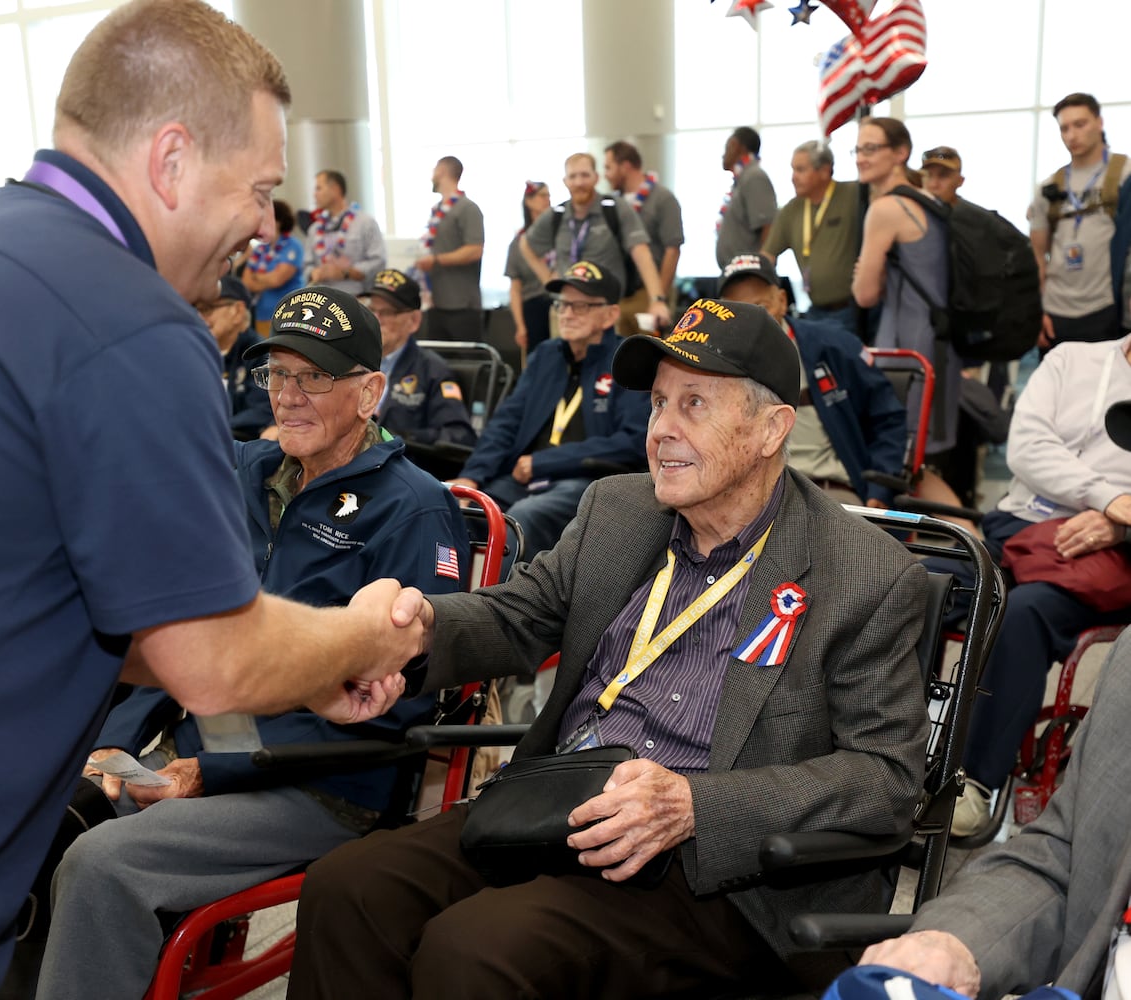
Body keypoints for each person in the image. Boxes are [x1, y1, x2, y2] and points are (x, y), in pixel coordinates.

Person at [0, 5, 426, 997]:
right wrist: (359, 640)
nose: (268, 225)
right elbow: (214, 660)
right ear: (172, 159)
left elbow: (79, 599)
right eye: (261, 187)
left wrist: (299, 672)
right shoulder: (125, 324)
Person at [287, 297, 931, 1000]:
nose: (662, 431)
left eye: (694, 405)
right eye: (658, 404)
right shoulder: (619, 511)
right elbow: (518, 615)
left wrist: (694, 804)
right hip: (558, 804)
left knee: (475, 950)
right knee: (347, 888)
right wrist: (414, 636)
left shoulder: (866, 576)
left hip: (712, 870)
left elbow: (884, 779)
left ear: (772, 429)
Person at [35, 287, 468, 1000]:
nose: (289, 397)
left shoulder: (415, 511)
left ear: (371, 392)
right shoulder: (244, 473)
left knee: (105, 865)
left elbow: (395, 707)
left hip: (319, 781)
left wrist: (210, 771)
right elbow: (167, 625)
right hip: (189, 743)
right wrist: (112, 744)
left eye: (314, 377)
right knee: (28, 820)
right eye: (277, 375)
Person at [861, 620, 1131, 1000]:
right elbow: (1067, 860)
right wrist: (953, 943)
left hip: (1078, 579)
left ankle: (979, 779)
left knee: (1026, 614)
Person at [940, 331, 1131, 836]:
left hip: (1107, 556)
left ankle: (974, 783)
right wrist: (1109, 497)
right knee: (916, 584)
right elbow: (1027, 447)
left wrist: (1121, 523)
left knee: (1025, 611)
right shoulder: (1073, 359)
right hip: (1019, 526)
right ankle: (883, 754)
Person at [448, 260, 650, 557]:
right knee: (458, 509)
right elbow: (506, 422)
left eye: (579, 306)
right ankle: (448, 600)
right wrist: (472, 477)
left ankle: (502, 603)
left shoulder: (628, 362)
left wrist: (544, 462)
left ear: (610, 315)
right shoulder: (546, 356)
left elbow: (632, 442)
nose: (566, 314)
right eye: (562, 304)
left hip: (584, 482)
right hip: (524, 478)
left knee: (521, 519)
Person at [718, 253, 907, 507]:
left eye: (761, 307)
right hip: (745, 496)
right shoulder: (710, 363)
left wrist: (879, 490)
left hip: (828, 491)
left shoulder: (834, 347)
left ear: (782, 301)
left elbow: (887, 419)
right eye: (736, 311)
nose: (751, 322)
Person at [852, 117, 965, 469]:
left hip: (905, 351)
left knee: (901, 464)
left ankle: (955, 526)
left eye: (871, 149)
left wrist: (864, 272)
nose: (860, 158)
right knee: (921, 465)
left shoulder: (886, 209)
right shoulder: (931, 201)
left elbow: (864, 294)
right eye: (857, 149)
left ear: (901, 153)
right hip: (942, 348)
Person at [520, 153, 671, 329]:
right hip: (566, 312)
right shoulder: (557, 215)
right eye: (573, 176)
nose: (579, 182)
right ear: (565, 181)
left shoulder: (616, 208)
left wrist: (657, 299)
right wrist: (546, 278)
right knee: (564, 356)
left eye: (585, 175)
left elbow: (641, 252)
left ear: (596, 178)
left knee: (612, 356)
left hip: (606, 312)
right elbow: (526, 244)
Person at [1029, 93, 1131, 351]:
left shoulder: (1124, 175)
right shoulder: (1049, 187)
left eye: (1080, 124)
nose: (1071, 135)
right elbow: (1037, 257)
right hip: (1056, 313)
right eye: (1064, 128)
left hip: (1106, 308)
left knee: (1108, 390)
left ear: (1099, 122)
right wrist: (1037, 312)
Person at [364, 267, 476, 448]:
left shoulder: (433, 371)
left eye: (387, 312)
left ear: (414, 321)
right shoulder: (352, 362)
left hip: (402, 466)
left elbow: (458, 435)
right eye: (371, 310)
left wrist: (396, 437)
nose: (376, 319)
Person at [763, 139, 861, 335]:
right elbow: (767, 257)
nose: (793, 177)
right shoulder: (791, 210)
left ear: (824, 171)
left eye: (800, 170)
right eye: (793, 170)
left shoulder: (853, 195)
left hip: (852, 311)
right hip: (814, 311)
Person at [604, 139, 685, 335]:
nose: (605, 174)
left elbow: (672, 250)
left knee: (648, 356)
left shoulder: (663, 198)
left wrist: (658, 297)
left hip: (648, 293)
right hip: (621, 296)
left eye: (608, 167)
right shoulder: (613, 203)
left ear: (625, 166)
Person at [413, 155, 485, 342]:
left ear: (442, 171)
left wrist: (436, 260)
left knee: (466, 362)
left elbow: (474, 249)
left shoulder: (467, 208)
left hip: (461, 305)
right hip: (437, 303)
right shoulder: (437, 210)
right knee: (440, 363)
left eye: (434, 170)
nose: (432, 176)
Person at [199, 273, 272, 440]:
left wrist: (212, 428)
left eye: (207, 309)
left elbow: (263, 410)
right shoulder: (198, 353)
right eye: (197, 310)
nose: (200, 318)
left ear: (238, 311)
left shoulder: (261, 354)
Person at [304, 169, 386, 297]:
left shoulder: (365, 223)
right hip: (323, 301)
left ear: (336, 189)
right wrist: (313, 273)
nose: (314, 194)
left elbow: (378, 261)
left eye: (318, 188)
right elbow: (306, 265)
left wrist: (346, 273)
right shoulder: (314, 229)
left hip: (358, 298)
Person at [716, 126, 778, 269]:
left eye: (727, 148)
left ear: (737, 146)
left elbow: (769, 227)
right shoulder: (742, 179)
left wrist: (762, 271)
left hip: (749, 274)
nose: (723, 155)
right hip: (735, 272)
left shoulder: (754, 177)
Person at [241, 197, 304, 335]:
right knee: (265, 355)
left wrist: (256, 277)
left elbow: (277, 280)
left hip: (290, 314)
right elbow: (246, 283)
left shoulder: (293, 245)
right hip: (262, 314)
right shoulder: (259, 249)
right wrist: (266, 279)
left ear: (279, 221)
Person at [506, 180, 555, 355]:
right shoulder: (519, 242)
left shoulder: (560, 236)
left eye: (549, 195)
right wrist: (520, 326)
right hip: (534, 306)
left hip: (560, 304)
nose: (547, 200)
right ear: (529, 201)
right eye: (542, 195)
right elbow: (515, 289)